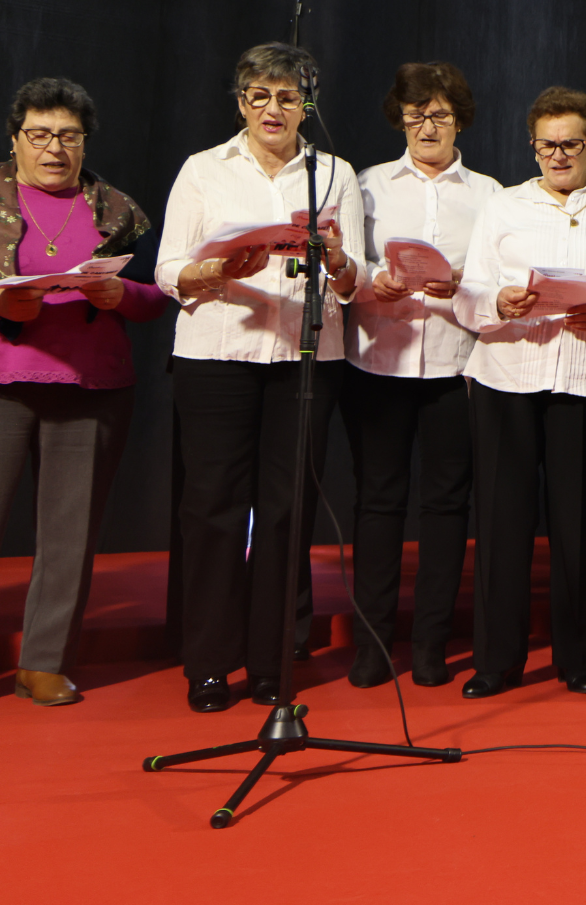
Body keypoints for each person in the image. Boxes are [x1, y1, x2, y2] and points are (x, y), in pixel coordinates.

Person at [158, 42, 364, 711]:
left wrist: (336, 258)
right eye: (259, 95)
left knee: (287, 513)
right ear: (240, 102)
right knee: (213, 510)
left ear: (308, 104)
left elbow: (354, 282)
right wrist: (216, 271)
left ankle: (274, 661)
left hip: (305, 359)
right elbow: (167, 270)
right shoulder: (202, 170)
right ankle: (209, 665)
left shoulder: (335, 172)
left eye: (287, 96)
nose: (273, 108)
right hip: (218, 352)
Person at [453, 86, 586, 700]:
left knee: (577, 526)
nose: (558, 155)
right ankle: (496, 661)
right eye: (546, 145)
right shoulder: (503, 205)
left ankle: (576, 658)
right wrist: (497, 302)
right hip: (509, 375)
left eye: (570, 144)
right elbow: (468, 292)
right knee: (502, 524)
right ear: (532, 145)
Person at [0, 78, 167, 706]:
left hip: (92, 385)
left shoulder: (118, 210)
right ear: (16, 139)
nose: (54, 148)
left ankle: (44, 662)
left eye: (68, 136)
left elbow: (158, 297)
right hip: (4, 383)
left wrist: (121, 295)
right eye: (39, 135)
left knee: (70, 534)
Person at [341, 62, 499, 689]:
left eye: (438, 114)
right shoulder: (368, 184)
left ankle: (431, 642)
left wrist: (461, 285)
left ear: (459, 118)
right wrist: (371, 278)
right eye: (414, 115)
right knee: (377, 503)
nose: (426, 126)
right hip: (379, 358)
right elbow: (347, 264)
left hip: (456, 366)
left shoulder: (488, 194)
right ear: (398, 120)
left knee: (445, 507)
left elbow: (494, 282)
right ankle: (373, 644)